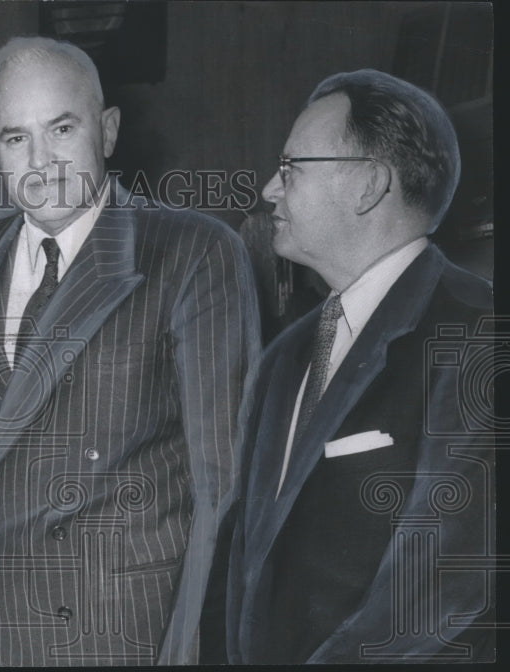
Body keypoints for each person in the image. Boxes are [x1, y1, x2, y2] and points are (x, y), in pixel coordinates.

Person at [0, 36, 260, 665]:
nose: (41, 160)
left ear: (107, 131)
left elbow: (223, 488)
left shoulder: (193, 251)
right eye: (15, 138)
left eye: (62, 128)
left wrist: (190, 654)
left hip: (125, 635)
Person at [225, 69, 494, 663]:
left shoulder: (482, 334)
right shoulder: (285, 358)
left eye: (291, 168)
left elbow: (440, 591)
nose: (270, 189)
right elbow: (247, 562)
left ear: (368, 185)